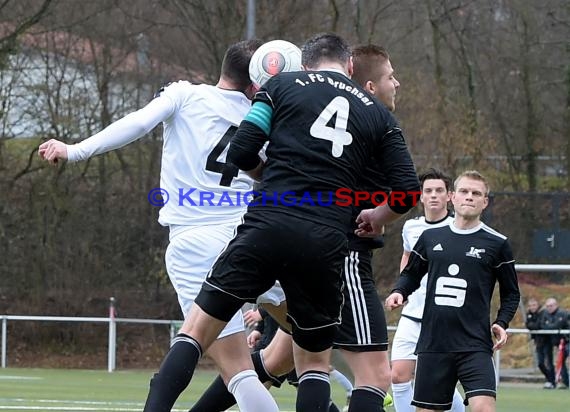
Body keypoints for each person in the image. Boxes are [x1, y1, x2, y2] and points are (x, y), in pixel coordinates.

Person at [142, 32, 419, 412]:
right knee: (314, 366)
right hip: (325, 244)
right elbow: (406, 191)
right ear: (349, 66)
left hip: (266, 228)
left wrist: (269, 177)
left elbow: (242, 148)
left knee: (195, 333)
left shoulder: (279, 87)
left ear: (305, 63)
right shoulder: (377, 113)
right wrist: (376, 216)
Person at [38, 40, 281, 412]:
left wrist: (75, 149)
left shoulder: (185, 95)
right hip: (252, 238)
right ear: (255, 84)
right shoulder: (263, 118)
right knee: (312, 341)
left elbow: (137, 122)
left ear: (224, 69)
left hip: (194, 243)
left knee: (236, 368)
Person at [384, 170, 521, 412]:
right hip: (434, 343)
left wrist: (502, 322)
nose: (470, 197)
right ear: (454, 197)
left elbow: (511, 293)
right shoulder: (429, 237)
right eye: (464, 192)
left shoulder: (497, 243)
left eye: (476, 193)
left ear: (485, 201)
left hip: (475, 344)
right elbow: (411, 274)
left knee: (483, 408)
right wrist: (399, 292)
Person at [390, 168, 464, 412]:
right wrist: (403, 290)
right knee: (399, 375)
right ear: (420, 197)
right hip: (413, 313)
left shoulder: (459, 227)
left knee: (436, 379)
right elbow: (407, 258)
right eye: (428, 191)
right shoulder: (411, 227)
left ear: (450, 196)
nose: (434, 195)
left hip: (443, 318)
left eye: (439, 190)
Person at [525, 298, 554, 388]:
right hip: (538, 341)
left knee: (549, 362)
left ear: (538, 305)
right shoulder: (529, 314)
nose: (532, 307)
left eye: (534, 305)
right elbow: (528, 325)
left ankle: (552, 381)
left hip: (547, 341)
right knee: (540, 363)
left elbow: (539, 325)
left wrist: (533, 326)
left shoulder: (544, 312)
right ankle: (550, 379)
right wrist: (533, 326)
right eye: (530, 305)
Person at [541, 297, 569, 389]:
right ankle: (560, 382)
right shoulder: (545, 313)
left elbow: (557, 325)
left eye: (551, 305)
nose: (549, 307)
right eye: (547, 306)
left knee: (562, 360)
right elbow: (542, 325)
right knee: (556, 361)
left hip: (566, 341)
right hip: (553, 341)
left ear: (556, 305)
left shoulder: (563, 313)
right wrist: (550, 326)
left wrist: (549, 326)